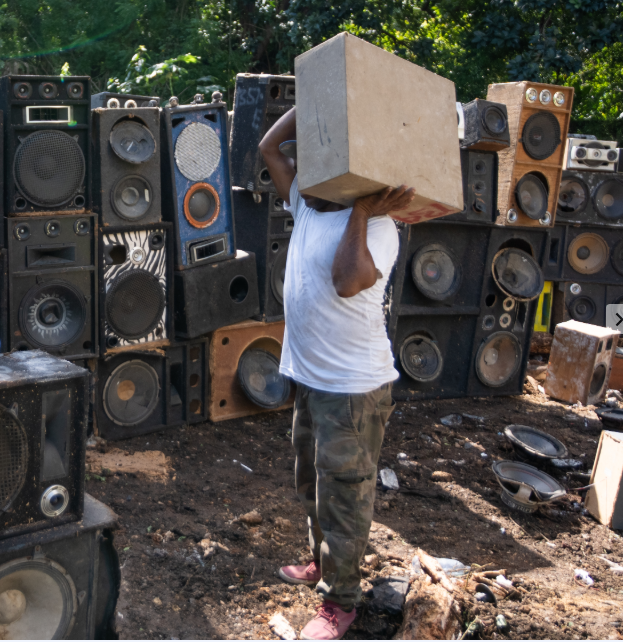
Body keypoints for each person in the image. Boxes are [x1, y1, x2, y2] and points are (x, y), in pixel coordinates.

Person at [258, 107, 415, 640]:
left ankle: (340, 602)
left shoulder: (379, 226)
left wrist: (365, 208)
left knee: (344, 496)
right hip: (309, 378)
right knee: (311, 483)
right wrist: (314, 93)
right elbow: (269, 148)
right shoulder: (307, 204)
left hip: (352, 389)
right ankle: (322, 562)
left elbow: (348, 280)